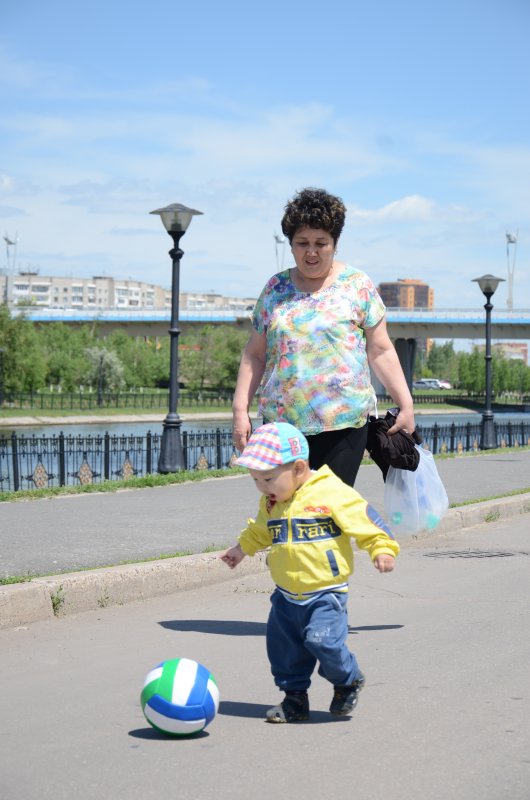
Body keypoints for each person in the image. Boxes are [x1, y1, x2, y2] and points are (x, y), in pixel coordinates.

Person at [232, 187, 415, 486]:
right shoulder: (275, 290)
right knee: (285, 513)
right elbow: (254, 354)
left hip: (344, 427)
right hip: (282, 428)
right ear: (290, 244)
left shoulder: (357, 285)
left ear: (335, 243)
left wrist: (405, 404)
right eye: (302, 243)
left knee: (328, 514)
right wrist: (240, 410)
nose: (311, 252)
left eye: (321, 243)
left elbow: (380, 350)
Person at [220, 421, 399, 724]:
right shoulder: (272, 501)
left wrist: (381, 548)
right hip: (286, 595)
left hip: (325, 592)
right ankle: (294, 700)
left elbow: (364, 519)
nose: (263, 488)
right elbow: (261, 529)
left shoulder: (331, 492)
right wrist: (240, 549)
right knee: (284, 651)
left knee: (323, 641)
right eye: (256, 480)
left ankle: (348, 679)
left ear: (299, 468)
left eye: (267, 479)